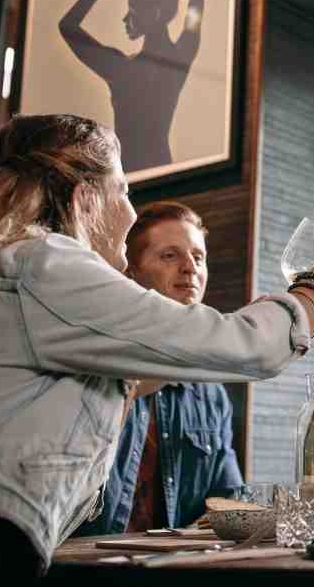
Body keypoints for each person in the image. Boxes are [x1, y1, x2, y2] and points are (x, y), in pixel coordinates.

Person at [0, 114, 314, 581]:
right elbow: (246, 346)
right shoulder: (46, 264)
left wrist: (311, 326)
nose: (129, 209)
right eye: (124, 190)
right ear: (87, 201)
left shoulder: (4, 264)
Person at [77, 201, 243, 536]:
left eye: (198, 257)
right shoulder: (91, 363)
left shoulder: (210, 392)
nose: (189, 268)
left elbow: (229, 499)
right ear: (130, 272)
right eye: (170, 255)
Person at [59, 0, 204, 173]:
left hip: (129, 174)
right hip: (162, 169)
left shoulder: (121, 68)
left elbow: (67, 26)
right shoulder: (183, 54)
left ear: (155, 14)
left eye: (133, 11)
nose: (125, 19)